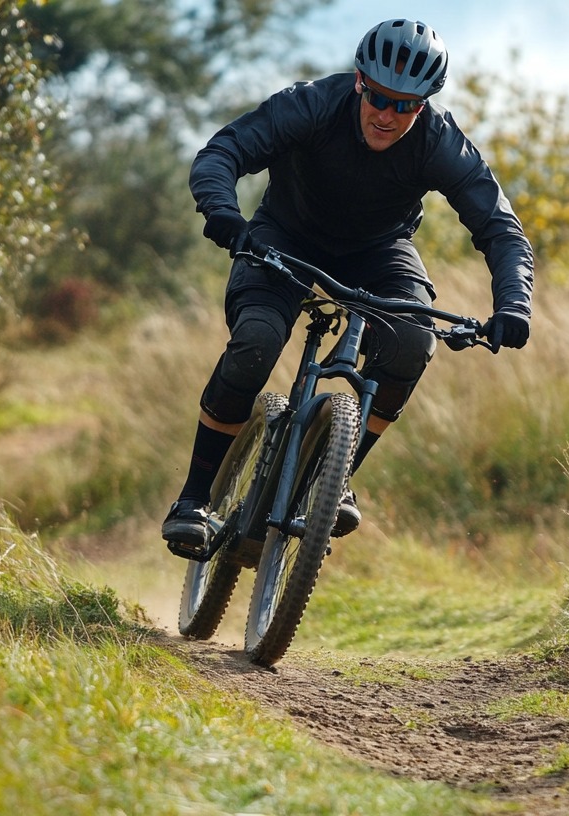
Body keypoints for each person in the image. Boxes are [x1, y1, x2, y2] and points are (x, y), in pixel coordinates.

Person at [161, 18, 534, 558]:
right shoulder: (311, 105)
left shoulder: (440, 142)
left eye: (405, 105)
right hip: (283, 237)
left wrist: (513, 304)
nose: (387, 114)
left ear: (425, 103)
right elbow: (223, 153)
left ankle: (331, 480)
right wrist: (223, 213)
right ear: (360, 80)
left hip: (379, 251)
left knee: (413, 344)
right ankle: (193, 500)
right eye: (378, 97)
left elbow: (501, 229)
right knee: (257, 344)